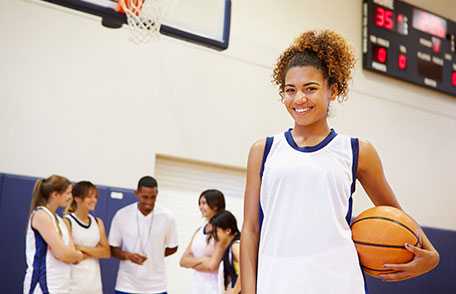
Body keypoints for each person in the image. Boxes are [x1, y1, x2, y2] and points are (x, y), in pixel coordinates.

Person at [240, 30, 440, 294]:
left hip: (338, 283)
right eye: (290, 90)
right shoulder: (263, 150)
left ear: (332, 90)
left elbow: (396, 214)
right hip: (276, 283)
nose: (299, 99)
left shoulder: (357, 151)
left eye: (310, 89)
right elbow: (251, 229)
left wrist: (432, 255)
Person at [109, 176, 178, 294]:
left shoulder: (167, 217)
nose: (149, 202)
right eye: (145, 197)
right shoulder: (122, 215)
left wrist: (155, 254)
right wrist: (128, 256)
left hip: (157, 286)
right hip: (126, 285)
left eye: (153, 197)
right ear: (137, 193)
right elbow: (112, 248)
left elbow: (173, 247)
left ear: (157, 194)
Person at [23, 175, 84, 294]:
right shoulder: (41, 215)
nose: (70, 197)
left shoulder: (61, 221)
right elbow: (63, 254)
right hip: (43, 284)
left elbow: (71, 255)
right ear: (54, 195)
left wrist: (74, 255)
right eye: (67, 193)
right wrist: (76, 255)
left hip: (61, 285)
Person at [64, 181, 110, 294]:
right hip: (73, 286)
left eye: (95, 197)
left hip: (95, 286)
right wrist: (95, 252)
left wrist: (80, 247)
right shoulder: (67, 221)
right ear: (77, 198)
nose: (94, 200)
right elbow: (70, 255)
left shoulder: (98, 222)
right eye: (89, 197)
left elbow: (106, 252)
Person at [179, 189, 227, 294]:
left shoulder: (222, 231)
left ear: (215, 205)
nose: (200, 207)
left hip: (214, 288)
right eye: (200, 203)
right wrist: (203, 260)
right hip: (197, 287)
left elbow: (212, 266)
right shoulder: (199, 230)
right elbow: (183, 261)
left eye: (204, 203)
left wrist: (192, 263)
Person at [210, 210, 241, 294]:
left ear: (228, 231)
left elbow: (246, 270)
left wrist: (234, 292)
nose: (213, 235)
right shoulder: (229, 247)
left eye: (216, 231)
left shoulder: (235, 246)